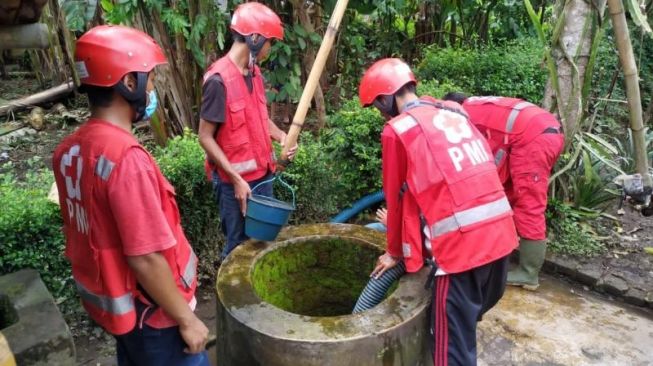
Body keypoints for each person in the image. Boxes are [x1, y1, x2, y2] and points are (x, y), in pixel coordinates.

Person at [52, 25, 209, 365]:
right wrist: (188, 319)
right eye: (150, 78)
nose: (153, 88)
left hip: (124, 314)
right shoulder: (125, 159)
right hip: (156, 317)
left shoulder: (69, 150)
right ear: (129, 83)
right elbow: (146, 256)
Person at [356, 58, 518, 365]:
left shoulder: (398, 129)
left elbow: (395, 196)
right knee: (464, 329)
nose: (381, 113)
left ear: (384, 99)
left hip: (461, 255)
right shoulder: (453, 111)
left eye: (377, 106)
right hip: (501, 239)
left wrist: (395, 252)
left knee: (449, 351)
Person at [198, 2, 297, 260]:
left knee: (263, 243)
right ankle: (230, 298)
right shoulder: (218, 81)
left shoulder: (253, 73)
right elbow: (205, 137)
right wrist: (236, 179)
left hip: (262, 177)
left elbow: (260, 118)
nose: (270, 48)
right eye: (269, 42)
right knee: (238, 247)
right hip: (234, 185)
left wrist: (281, 136)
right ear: (254, 38)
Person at [443, 92, 564, 290]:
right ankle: (497, 254)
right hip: (542, 130)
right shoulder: (476, 105)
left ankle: (528, 273)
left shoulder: (460, 116)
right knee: (504, 196)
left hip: (534, 139)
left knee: (528, 204)